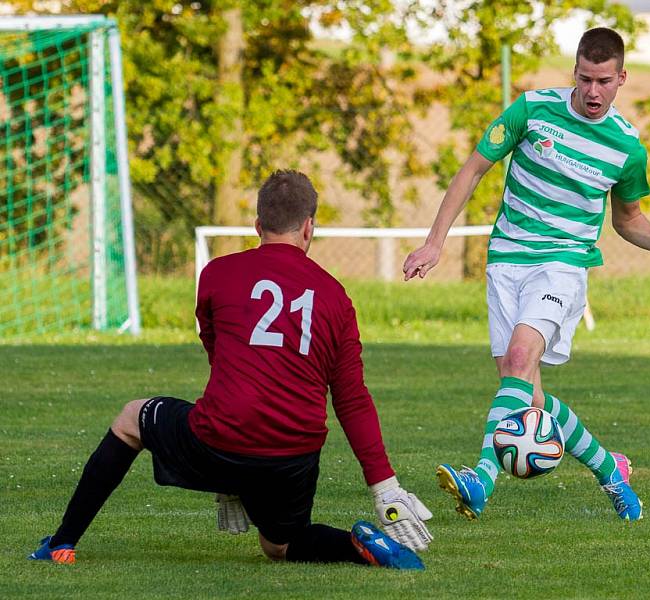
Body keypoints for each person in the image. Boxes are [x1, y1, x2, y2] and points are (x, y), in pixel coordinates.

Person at [30, 170, 433, 569]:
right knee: (280, 545)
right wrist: (384, 486)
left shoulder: (216, 274)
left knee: (131, 419)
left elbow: (220, 356)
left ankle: (61, 543)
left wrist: (227, 473)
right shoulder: (335, 296)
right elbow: (351, 399)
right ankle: (356, 547)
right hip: (294, 456)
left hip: (221, 438)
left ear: (258, 225)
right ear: (309, 227)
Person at [403, 27, 650, 522]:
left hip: (563, 265)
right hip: (506, 259)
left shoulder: (627, 148)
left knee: (521, 356)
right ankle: (611, 467)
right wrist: (435, 241)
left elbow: (628, 220)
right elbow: (472, 170)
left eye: (604, 81)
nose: (593, 92)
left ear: (622, 78)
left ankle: (480, 480)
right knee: (526, 393)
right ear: (575, 72)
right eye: (585, 78)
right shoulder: (531, 109)